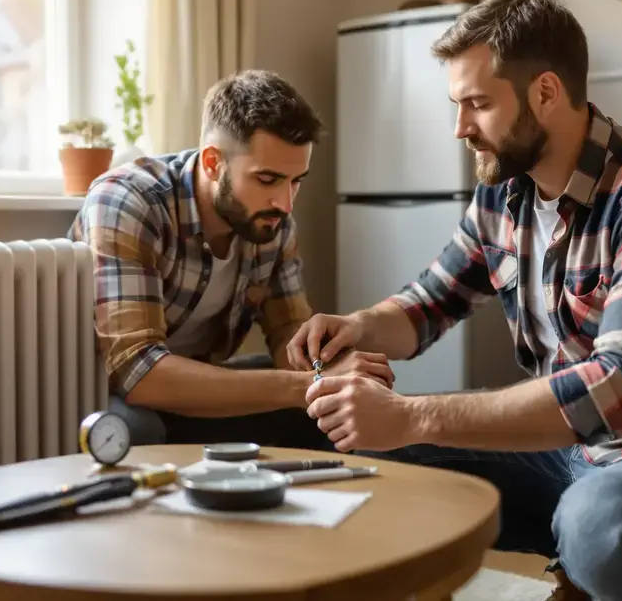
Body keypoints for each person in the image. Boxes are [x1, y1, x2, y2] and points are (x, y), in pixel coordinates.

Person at [287, 0, 622, 601]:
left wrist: (411, 415)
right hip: (573, 452)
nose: (460, 128)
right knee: (369, 461)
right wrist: (358, 326)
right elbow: (427, 305)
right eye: (458, 105)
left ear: (546, 92)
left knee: (604, 529)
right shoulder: (504, 196)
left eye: (478, 104)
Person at [70, 69, 392, 450]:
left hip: (193, 384)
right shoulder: (130, 201)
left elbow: (289, 336)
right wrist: (309, 384)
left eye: (296, 180)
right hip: (105, 391)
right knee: (137, 429)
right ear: (212, 163)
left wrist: (332, 373)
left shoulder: (270, 220)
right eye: (267, 179)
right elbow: (136, 372)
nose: (286, 203)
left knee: (329, 412)